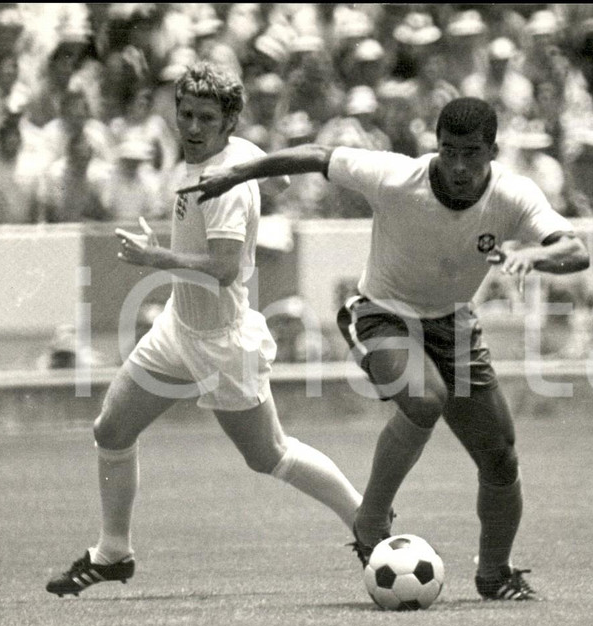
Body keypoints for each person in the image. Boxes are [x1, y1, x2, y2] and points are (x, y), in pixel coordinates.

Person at [181, 97, 590, 601]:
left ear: (493, 151)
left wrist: (535, 253)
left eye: (472, 154)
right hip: (380, 313)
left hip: (453, 324)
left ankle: (495, 573)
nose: (459, 166)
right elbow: (317, 154)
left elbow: (576, 250)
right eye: (449, 151)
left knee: (501, 458)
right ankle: (370, 518)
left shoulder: (513, 195)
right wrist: (240, 173)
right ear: (435, 147)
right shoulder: (396, 176)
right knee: (424, 398)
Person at [46, 62, 364, 597]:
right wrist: (263, 178)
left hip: (220, 340)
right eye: (186, 114)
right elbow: (277, 173)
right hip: (179, 326)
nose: (192, 127)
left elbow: (221, 269)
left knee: (270, 455)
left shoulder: (223, 187)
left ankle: (366, 522)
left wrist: (155, 256)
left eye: (206, 118)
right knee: (112, 431)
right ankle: (113, 553)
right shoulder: (235, 154)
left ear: (229, 121)